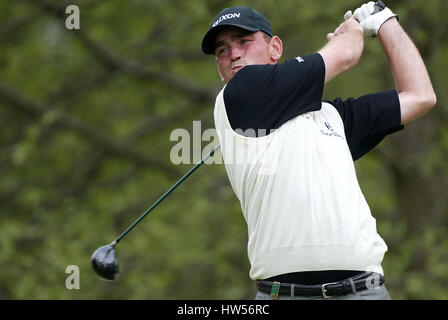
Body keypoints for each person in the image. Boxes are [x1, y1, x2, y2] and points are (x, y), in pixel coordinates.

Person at [201, 2, 436, 300]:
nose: (233, 53)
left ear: (275, 48)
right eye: (222, 50)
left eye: (244, 41)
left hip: (362, 291)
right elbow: (347, 53)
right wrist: (353, 29)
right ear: (220, 69)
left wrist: (386, 23)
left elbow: (420, 96)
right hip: (282, 294)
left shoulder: (331, 116)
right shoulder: (237, 96)